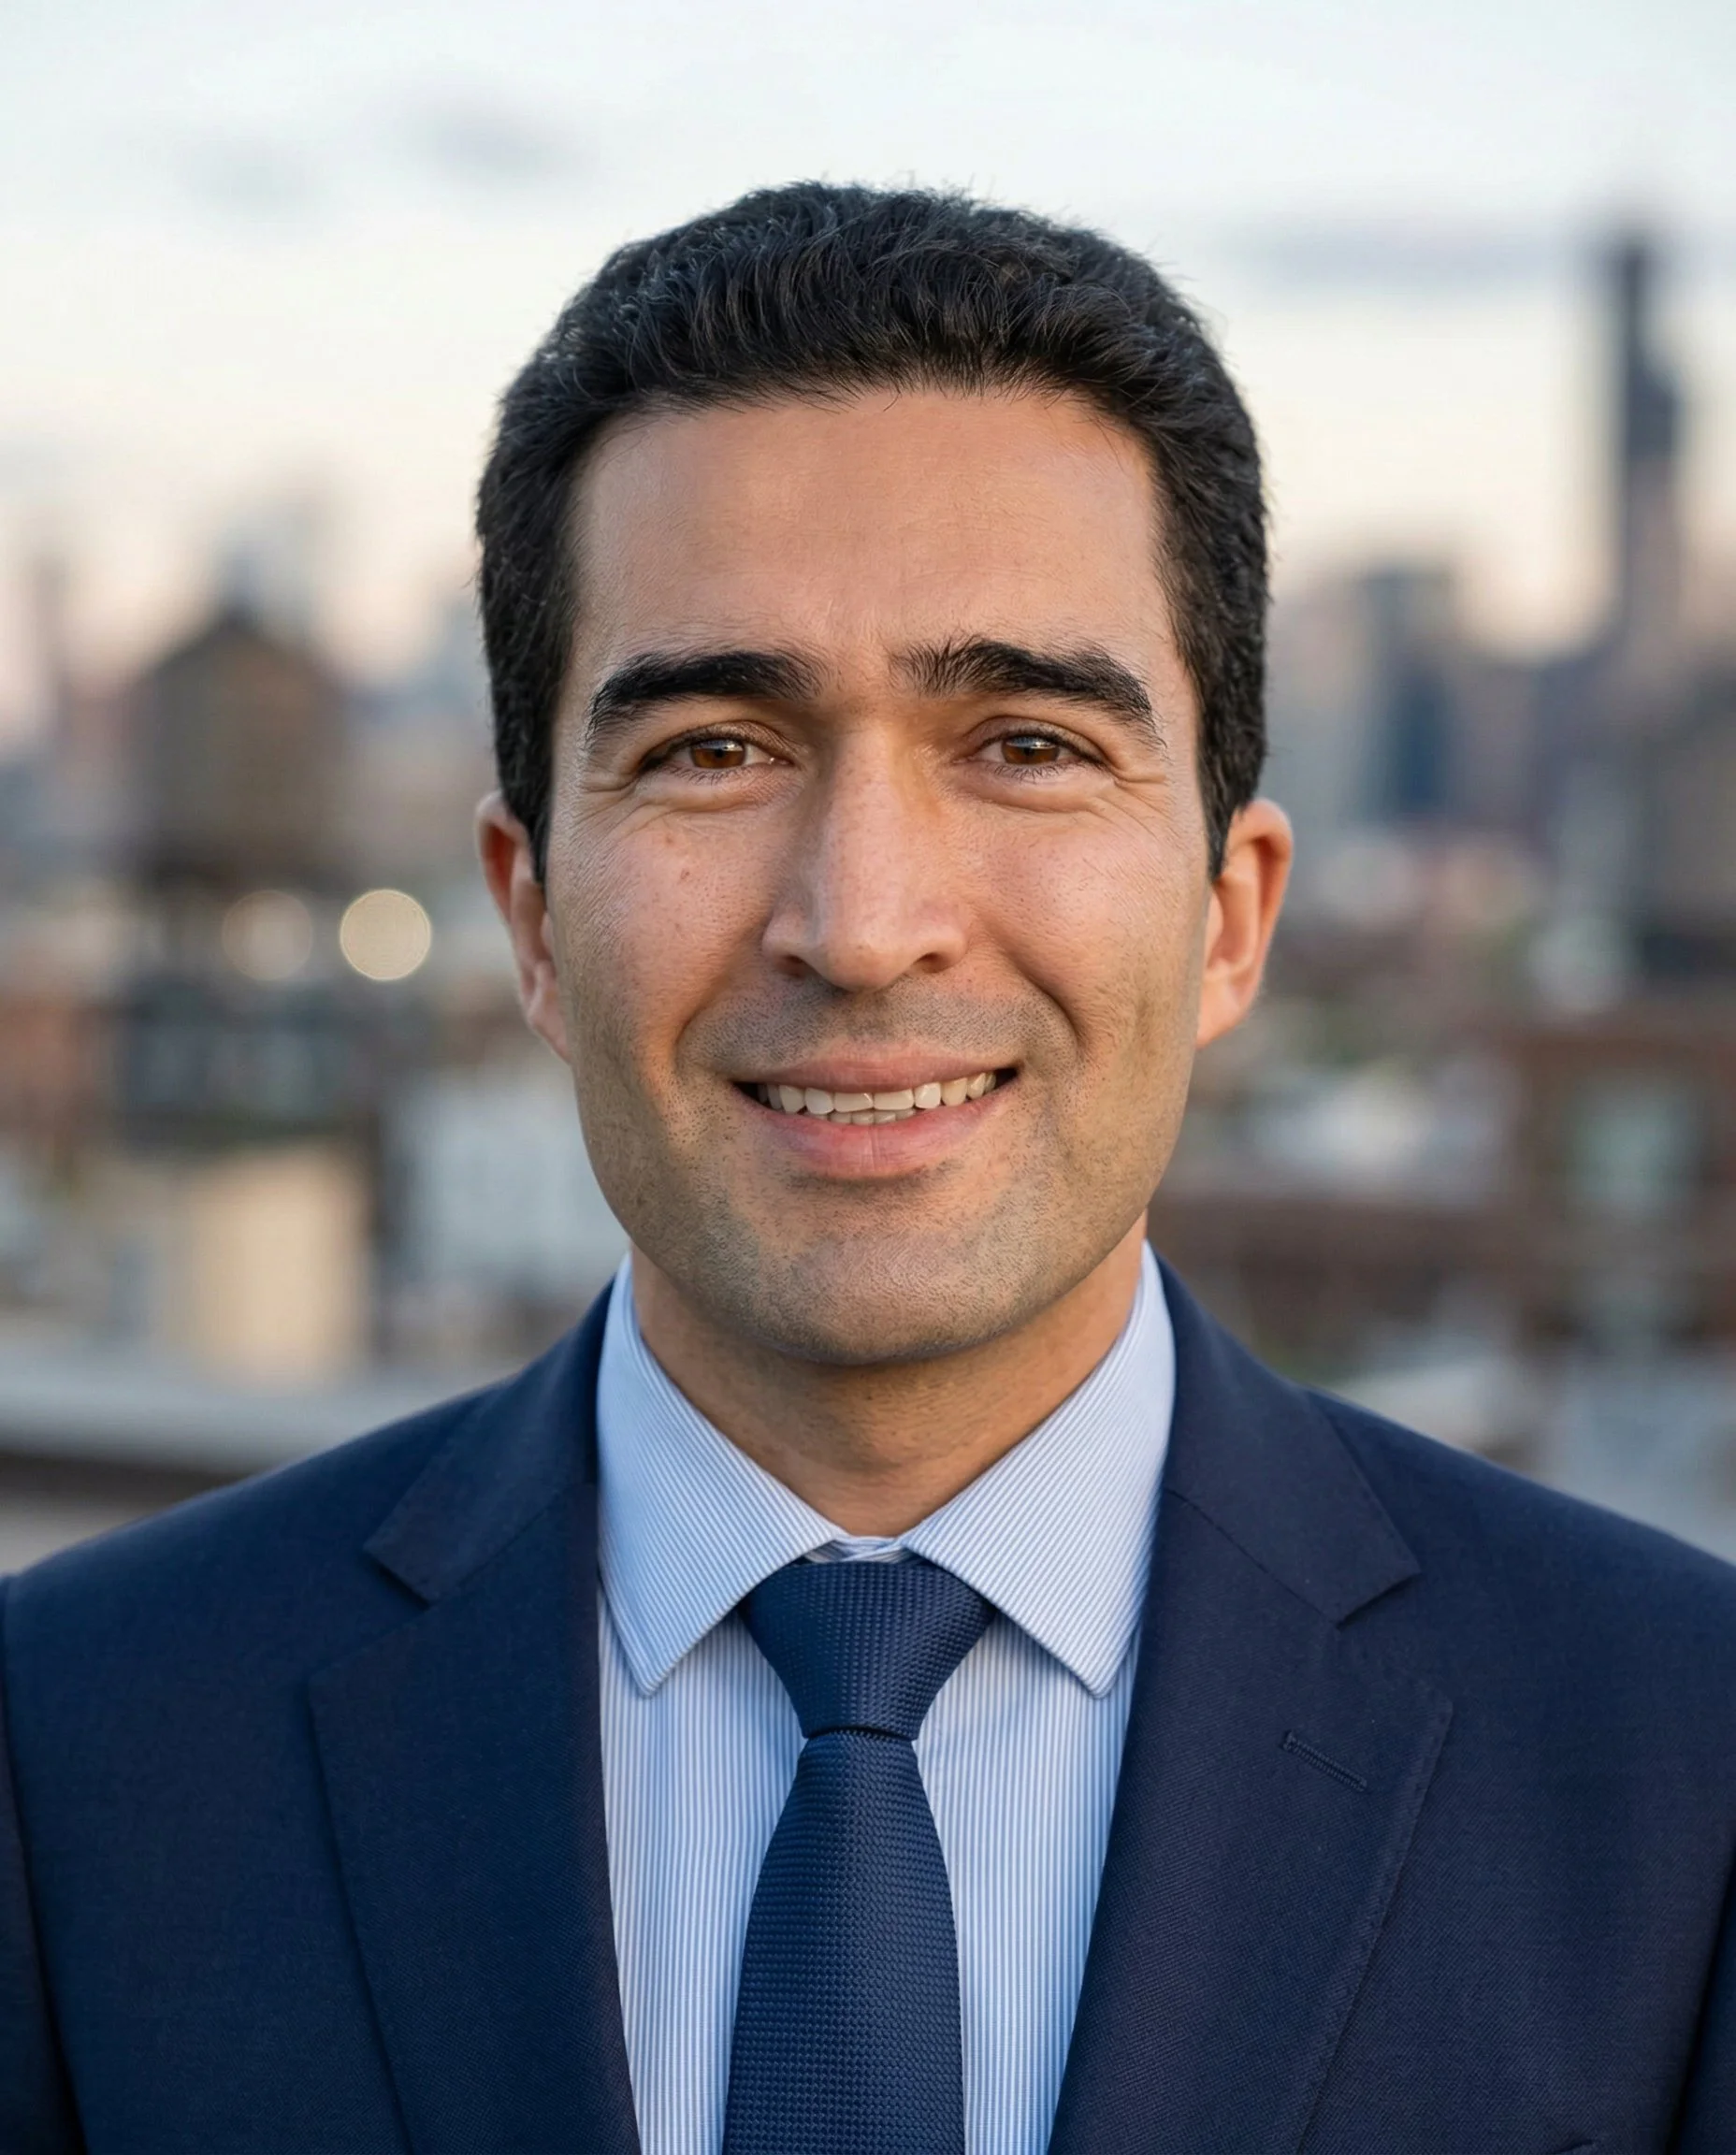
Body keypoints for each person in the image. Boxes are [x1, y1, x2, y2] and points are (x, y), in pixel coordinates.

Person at [2, 183, 1732, 2155]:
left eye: (1024, 745)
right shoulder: (78, 1754)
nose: (863, 919)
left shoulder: (1681, 1764)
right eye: (716, 750)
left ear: (1232, 914)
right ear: (535, 915)